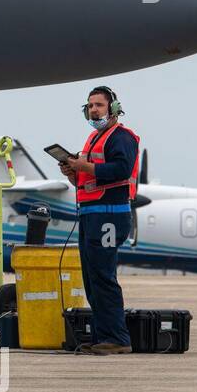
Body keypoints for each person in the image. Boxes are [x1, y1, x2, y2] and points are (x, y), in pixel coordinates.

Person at [59, 86, 140, 355]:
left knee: (103, 276)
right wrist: (73, 173)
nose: (94, 110)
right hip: (92, 214)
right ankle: (103, 336)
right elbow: (88, 179)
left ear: (113, 108)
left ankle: (117, 338)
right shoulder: (94, 138)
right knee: (93, 278)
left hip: (109, 215)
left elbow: (121, 169)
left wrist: (84, 166)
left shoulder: (121, 137)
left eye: (99, 105)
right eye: (90, 105)